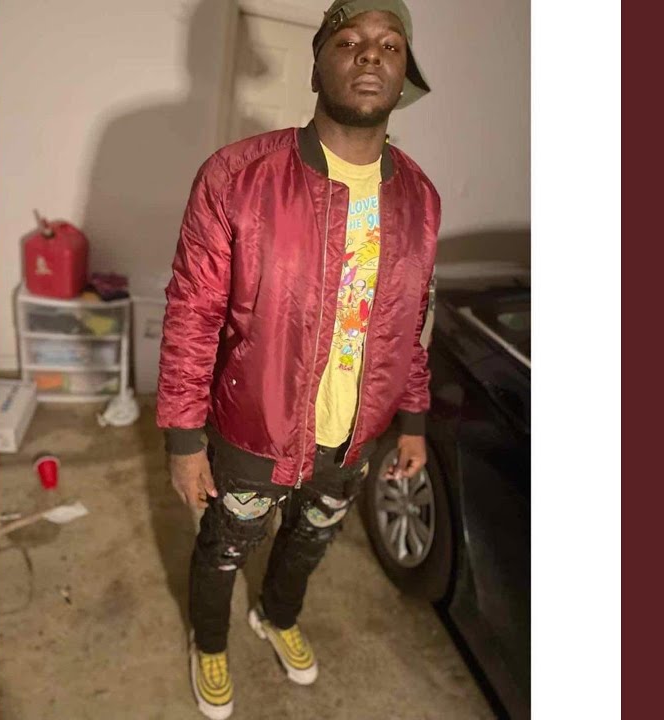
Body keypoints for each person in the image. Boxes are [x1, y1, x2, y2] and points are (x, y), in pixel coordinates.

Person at [156, 1, 438, 716]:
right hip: (254, 431)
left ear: (404, 74)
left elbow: (413, 322)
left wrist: (412, 420)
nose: (369, 54)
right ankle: (210, 640)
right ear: (316, 65)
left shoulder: (421, 199)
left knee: (311, 539)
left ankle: (276, 616)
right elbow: (192, 312)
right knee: (225, 547)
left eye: (389, 45)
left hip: (355, 436)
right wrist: (184, 438)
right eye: (349, 41)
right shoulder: (238, 176)